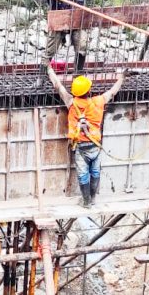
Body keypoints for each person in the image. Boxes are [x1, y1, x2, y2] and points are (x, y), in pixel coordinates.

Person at [46, 68, 126, 208]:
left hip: (80, 147)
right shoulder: (98, 101)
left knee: (83, 175)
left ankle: (86, 202)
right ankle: (93, 198)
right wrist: (122, 78)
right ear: (88, 91)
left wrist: (49, 70)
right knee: (95, 172)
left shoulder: (71, 102)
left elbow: (58, 86)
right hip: (95, 146)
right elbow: (112, 92)